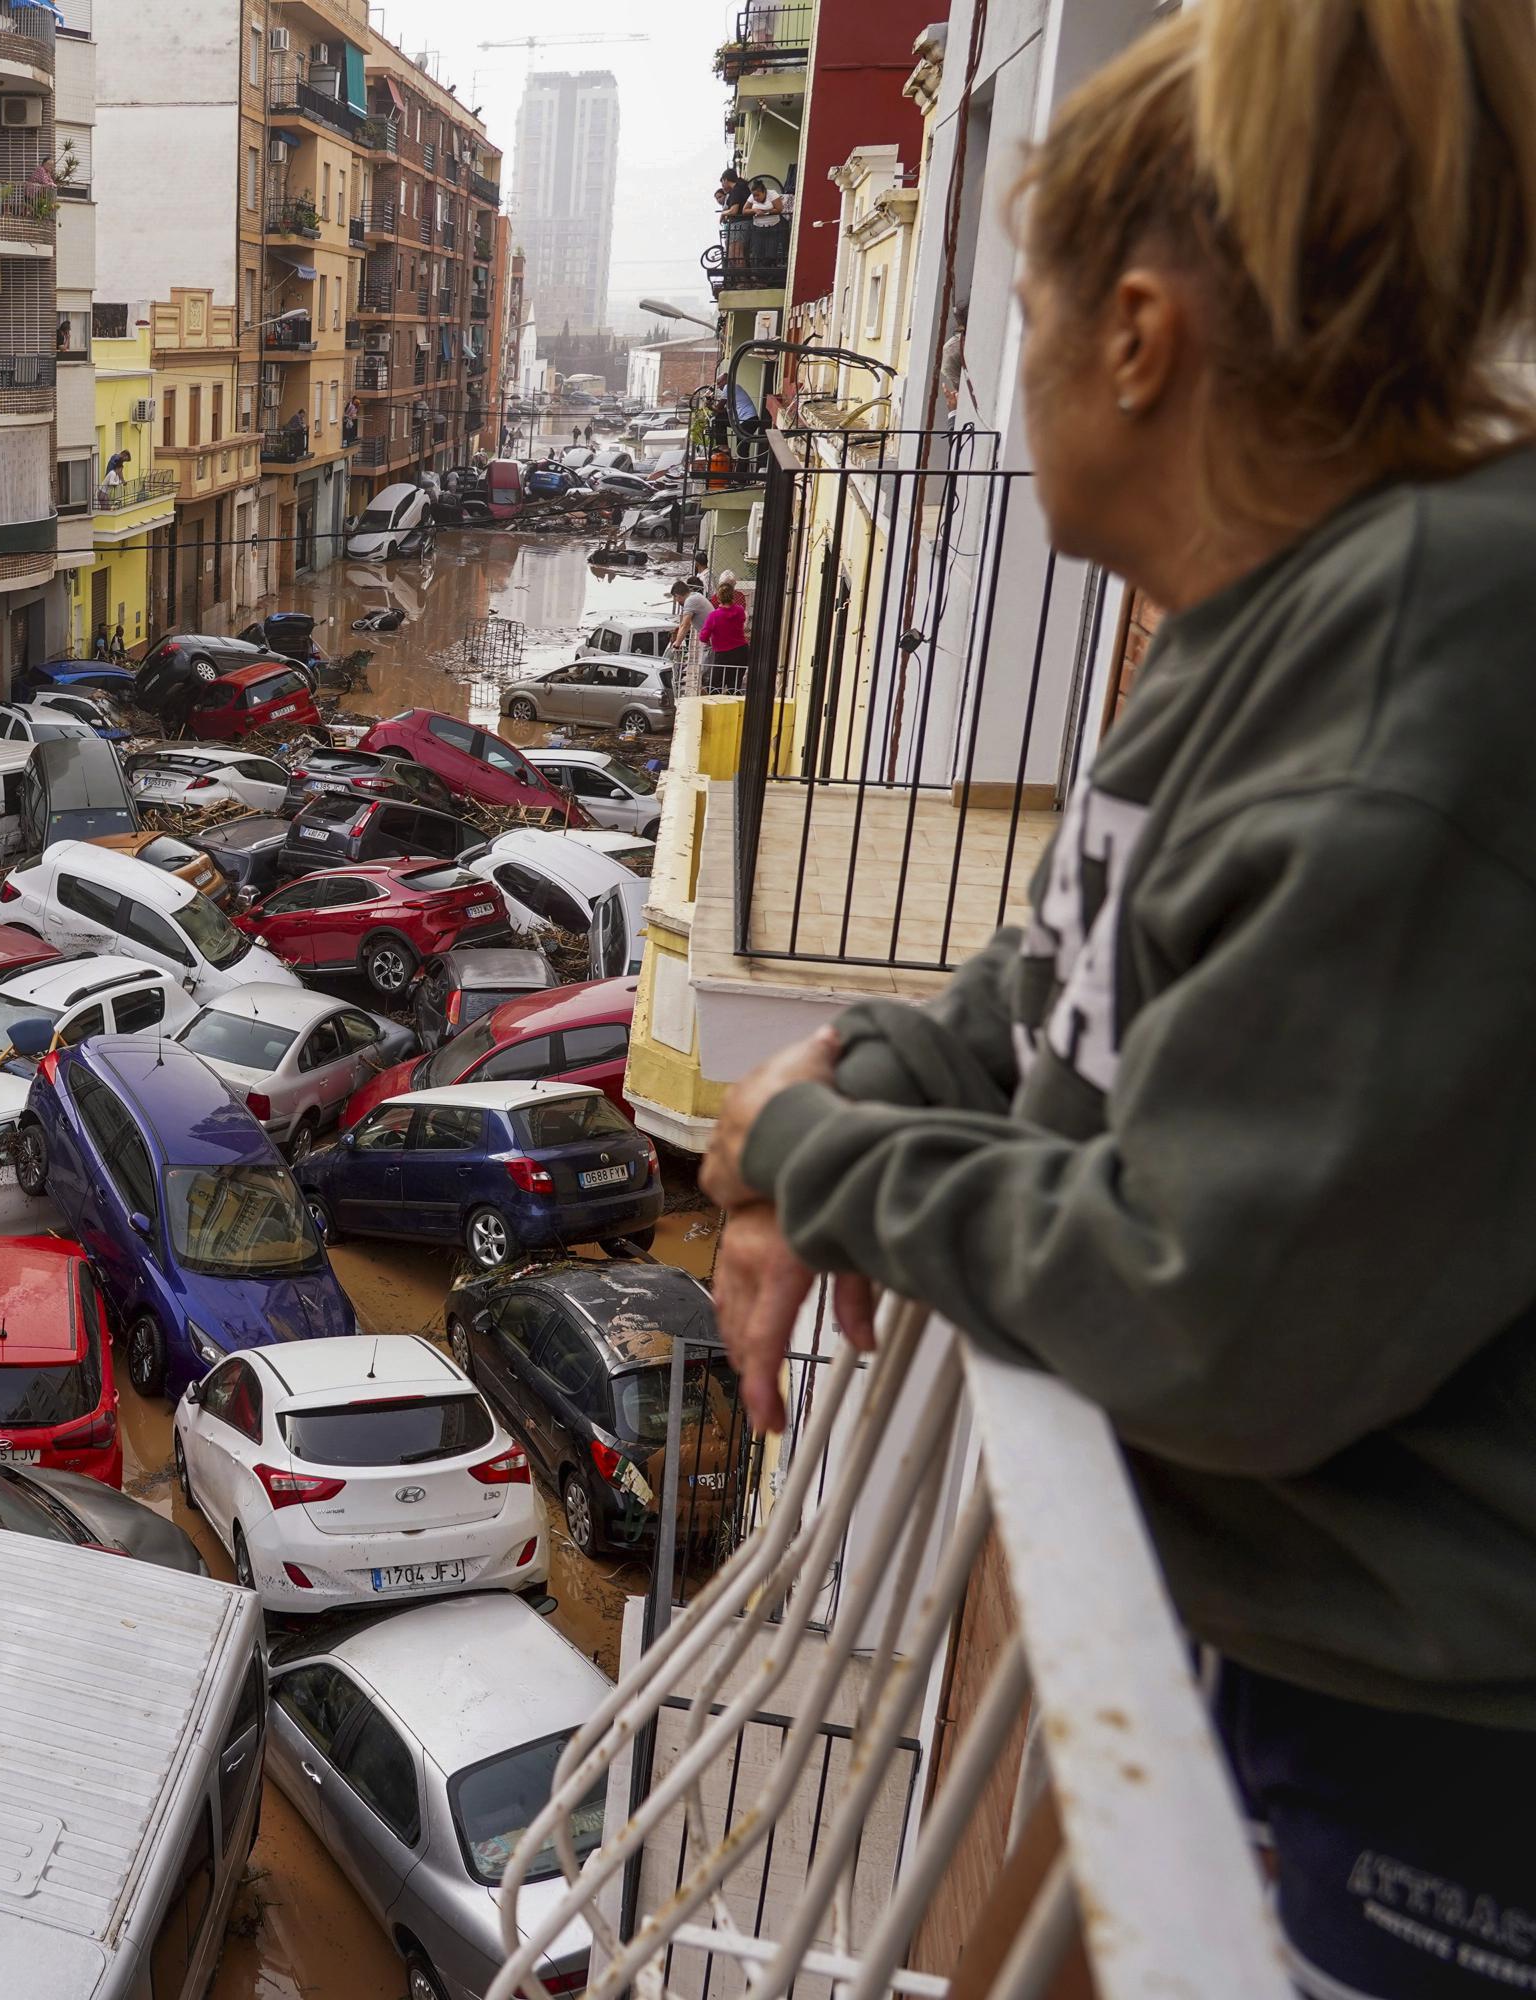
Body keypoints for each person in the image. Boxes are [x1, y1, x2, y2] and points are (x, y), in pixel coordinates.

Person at [695, 4, 1536, 1994]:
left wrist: (813, 1142)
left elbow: (1204, 1308)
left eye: (1022, 310)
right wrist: (872, 1073)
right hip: (1303, 1672)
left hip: (1437, 1788)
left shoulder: (1427, 653)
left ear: (1142, 337)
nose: (1012, 369)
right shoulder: (1287, 626)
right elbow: (1057, 972)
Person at [697, 575, 748, 670]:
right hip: (741, 651)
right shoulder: (740, 610)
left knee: (716, 683)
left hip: (722, 655)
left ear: (718, 598)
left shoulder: (713, 616)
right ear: (733, 596)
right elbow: (742, 621)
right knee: (735, 682)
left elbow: (703, 638)